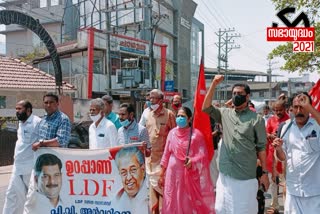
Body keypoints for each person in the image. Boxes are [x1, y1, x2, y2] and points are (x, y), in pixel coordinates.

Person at [202, 75, 269, 214]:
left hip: (244, 177)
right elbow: (206, 107)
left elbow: (262, 148)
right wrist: (214, 83)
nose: (236, 96)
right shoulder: (225, 113)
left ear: (248, 96)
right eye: (234, 94)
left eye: (240, 94)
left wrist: (264, 173)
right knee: (221, 209)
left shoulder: (256, 120)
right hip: (225, 174)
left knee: (243, 210)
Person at [159, 107, 215, 213]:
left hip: (188, 176)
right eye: (178, 116)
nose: (180, 118)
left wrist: (193, 161)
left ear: (189, 119)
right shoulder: (172, 133)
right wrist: (161, 174)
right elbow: (166, 154)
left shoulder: (196, 135)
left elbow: (203, 156)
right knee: (171, 199)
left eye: (183, 116)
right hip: (172, 175)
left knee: (186, 202)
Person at [273, 92, 320, 214]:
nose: (299, 110)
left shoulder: (317, 126)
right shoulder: (286, 127)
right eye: (296, 107)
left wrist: (309, 107)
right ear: (291, 109)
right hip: (293, 191)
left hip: (314, 193)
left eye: (303, 106)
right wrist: (278, 149)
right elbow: (283, 157)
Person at [3, 100, 41, 214]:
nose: (17, 111)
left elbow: (42, 142)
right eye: (16, 109)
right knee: (11, 194)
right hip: (17, 166)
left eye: (19, 109)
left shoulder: (37, 122)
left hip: (29, 167)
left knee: (30, 197)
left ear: (28, 110)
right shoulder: (21, 123)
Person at [145, 89, 176, 214]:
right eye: (150, 98)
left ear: (161, 100)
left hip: (164, 162)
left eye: (154, 98)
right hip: (150, 161)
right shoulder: (147, 115)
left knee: (164, 193)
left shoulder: (169, 115)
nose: (151, 100)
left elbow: (175, 136)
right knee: (152, 196)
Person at [265, 99, 290, 213]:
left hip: (285, 157)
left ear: (284, 109)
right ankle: (274, 205)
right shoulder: (271, 120)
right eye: (276, 110)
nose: (278, 112)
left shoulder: (290, 120)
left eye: (280, 110)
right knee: (273, 182)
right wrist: (270, 135)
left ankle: (286, 206)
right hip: (272, 156)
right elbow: (265, 133)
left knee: (285, 182)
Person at [114, 146, 148, 214]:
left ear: (143, 169)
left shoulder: (151, 196)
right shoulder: (117, 198)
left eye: (133, 170)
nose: (129, 178)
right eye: (123, 172)